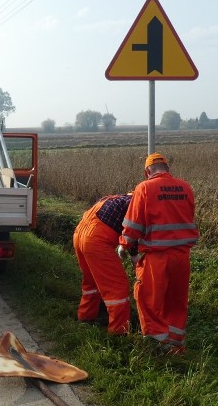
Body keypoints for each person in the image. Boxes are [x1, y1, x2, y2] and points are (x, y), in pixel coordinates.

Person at [118, 152, 198, 354]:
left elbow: (134, 223)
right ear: (167, 169)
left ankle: (157, 345)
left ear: (148, 171)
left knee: (148, 298)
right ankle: (176, 344)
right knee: (176, 300)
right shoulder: (185, 187)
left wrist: (124, 244)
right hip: (182, 256)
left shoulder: (144, 188)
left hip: (157, 256)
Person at [73, 194, 133, 335]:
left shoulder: (113, 198)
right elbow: (133, 231)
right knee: (118, 286)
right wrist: (135, 255)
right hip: (96, 240)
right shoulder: (134, 203)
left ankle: (86, 317)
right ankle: (118, 332)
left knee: (91, 282)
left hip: (79, 235)